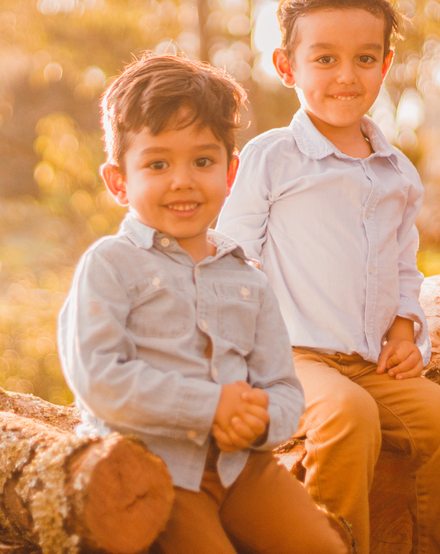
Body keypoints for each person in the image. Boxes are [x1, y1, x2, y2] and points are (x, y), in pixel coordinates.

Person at [217, 0, 440, 554]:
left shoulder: (396, 171)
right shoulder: (273, 157)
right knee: (347, 418)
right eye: (325, 59)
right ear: (287, 67)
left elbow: (404, 266)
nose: (346, 76)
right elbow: (233, 252)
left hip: (368, 362)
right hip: (292, 358)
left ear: (386, 65)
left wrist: (403, 330)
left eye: (365, 59)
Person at [57, 53, 350, 554]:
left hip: (244, 469)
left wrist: (259, 421)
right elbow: (98, 376)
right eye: (157, 163)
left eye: (202, 161)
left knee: (322, 546)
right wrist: (210, 405)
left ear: (231, 172)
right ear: (118, 181)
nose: (183, 180)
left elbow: (282, 386)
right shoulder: (111, 265)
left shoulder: (247, 280)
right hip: (156, 472)